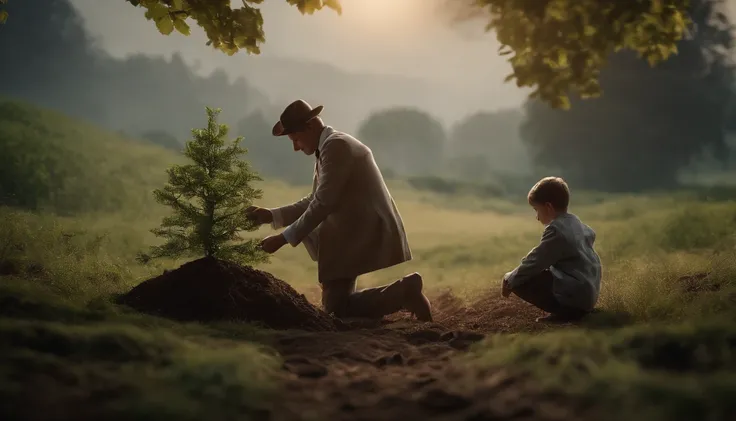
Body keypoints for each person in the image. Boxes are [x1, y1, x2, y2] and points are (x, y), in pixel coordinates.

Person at [245, 99, 432, 322]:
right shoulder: (329, 147)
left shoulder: (336, 147)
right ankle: (404, 292)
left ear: (311, 126)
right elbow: (316, 199)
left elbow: (323, 204)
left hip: (357, 231)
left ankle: (405, 292)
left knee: (337, 310)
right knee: (337, 306)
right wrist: (271, 216)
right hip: (350, 230)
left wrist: (283, 239)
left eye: (295, 139)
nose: (295, 147)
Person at [501, 176, 602, 323]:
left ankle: (566, 313)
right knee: (537, 273)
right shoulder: (578, 224)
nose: (537, 217)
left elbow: (535, 261)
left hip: (577, 296)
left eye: (536, 210)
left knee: (522, 278)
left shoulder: (556, 230)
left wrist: (509, 279)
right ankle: (570, 311)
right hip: (588, 293)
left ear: (548, 207)